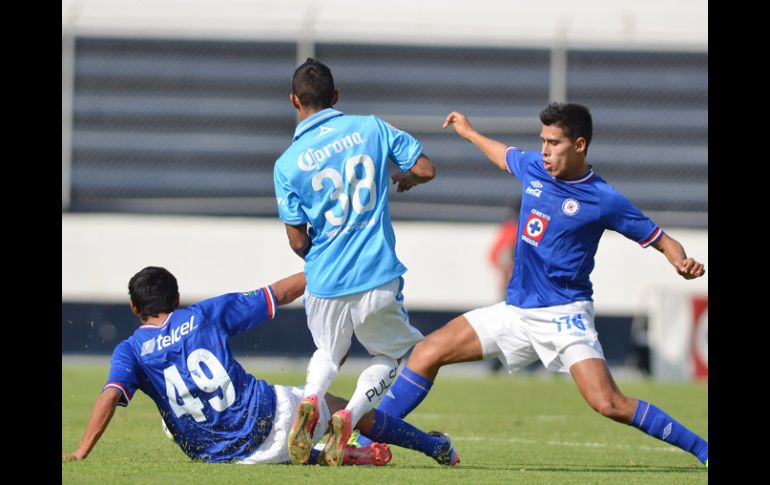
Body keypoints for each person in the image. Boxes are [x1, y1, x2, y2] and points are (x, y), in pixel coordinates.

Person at [375, 104, 708, 467]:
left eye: (554, 143)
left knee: (608, 403)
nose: (545, 151)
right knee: (426, 353)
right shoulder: (534, 167)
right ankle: (368, 439)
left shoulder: (603, 198)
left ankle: (703, 449)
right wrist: (469, 133)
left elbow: (659, 237)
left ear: (579, 145)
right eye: (543, 141)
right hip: (515, 312)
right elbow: (505, 157)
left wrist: (680, 261)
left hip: (565, 316)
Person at [61, 266, 459, 466]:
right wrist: (328, 269)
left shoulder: (130, 351)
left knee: (177, 423)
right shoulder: (204, 314)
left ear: (134, 309)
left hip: (218, 455)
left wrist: (82, 452)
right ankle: (436, 448)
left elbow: (110, 397)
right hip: (268, 416)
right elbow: (279, 293)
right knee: (346, 409)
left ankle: (332, 455)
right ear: (176, 297)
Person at [273, 58, 438, 466]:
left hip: (325, 278)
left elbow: (296, 240)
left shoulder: (287, 163)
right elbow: (425, 169)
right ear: (336, 97)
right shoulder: (371, 127)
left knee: (328, 351)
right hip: (376, 274)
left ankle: (311, 397)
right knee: (395, 355)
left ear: (295, 100)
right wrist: (407, 180)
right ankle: (349, 415)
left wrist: (321, 255)